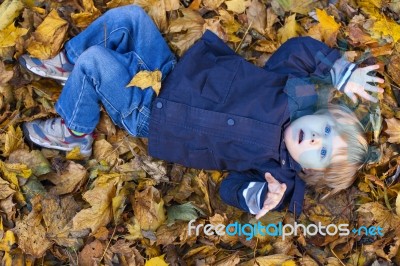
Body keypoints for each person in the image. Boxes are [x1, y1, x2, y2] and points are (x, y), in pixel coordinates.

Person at [19, 5, 383, 219]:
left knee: (97, 63)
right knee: (129, 17)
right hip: (172, 74)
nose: (318, 138)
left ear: (309, 171)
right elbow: (299, 48)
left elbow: (231, 187)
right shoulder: (292, 89)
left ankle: (76, 128)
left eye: (321, 152)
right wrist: (339, 68)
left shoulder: (277, 174)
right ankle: (67, 63)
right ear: (324, 112)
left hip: (153, 116)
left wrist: (257, 196)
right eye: (327, 130)